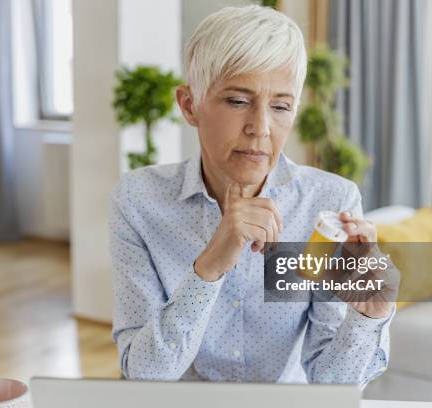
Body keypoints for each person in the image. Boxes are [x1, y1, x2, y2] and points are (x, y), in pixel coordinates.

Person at [110, 5, 395, 384]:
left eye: (280, 106)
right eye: (237, 101)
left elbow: (331, 385)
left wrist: (367, 317)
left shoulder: (330, 202)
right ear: (189, 105)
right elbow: (145, 375)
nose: (260, 128)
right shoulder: (137, 200)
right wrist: (210, 265)